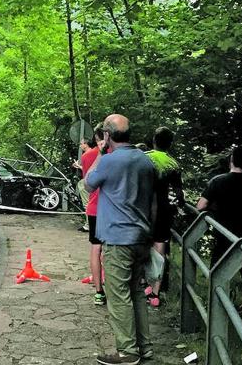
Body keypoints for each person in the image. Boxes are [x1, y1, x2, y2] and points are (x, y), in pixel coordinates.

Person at [85, 114, 157, 365]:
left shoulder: (109, 161)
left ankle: (127, 352)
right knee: (137, 292)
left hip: (118, 238)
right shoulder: (145, 161)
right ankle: (144, 347)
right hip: (141, 236)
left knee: (118, 295)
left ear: (107, 135)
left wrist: (101, 153)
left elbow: (88, 184)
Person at [196, 146, 242, 320]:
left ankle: (216, 315)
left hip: (224, 236)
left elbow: (201, 206)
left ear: (231, 161)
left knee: (217, 274)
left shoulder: (218, 181)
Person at [144, 127, 185, 307]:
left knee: (142, 245)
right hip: (163, 211)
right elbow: (178, 194)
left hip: (142, 209)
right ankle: (155, 292)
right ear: (170, 144)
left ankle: (141, 282)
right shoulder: (173, 164)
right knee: (160, 248)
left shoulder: (143, 158)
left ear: (154, 139)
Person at [81, 125, 105, 304]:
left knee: (96, 248)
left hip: (94, 207)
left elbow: (86, 181)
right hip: (111, 209)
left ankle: (99, 291)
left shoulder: (87, 156)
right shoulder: (115, 155)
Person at [73, 138, 93, 232]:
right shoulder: (96, 153)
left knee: (87, 204)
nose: (80, 146)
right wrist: (79, 166)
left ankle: (88, 225)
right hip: (94, 181)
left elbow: (87, 171)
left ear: (86, 144)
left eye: (81, 144)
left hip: (88, 182)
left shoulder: (86, 155)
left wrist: (78, 165)